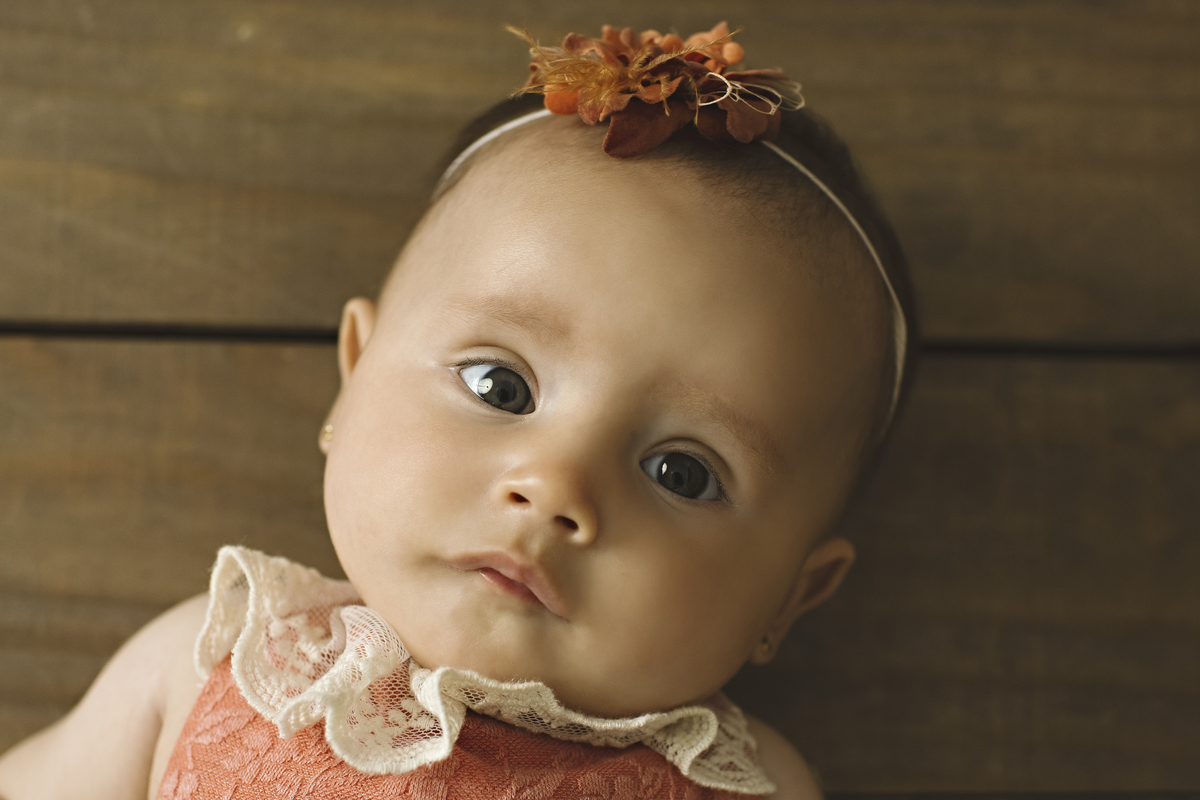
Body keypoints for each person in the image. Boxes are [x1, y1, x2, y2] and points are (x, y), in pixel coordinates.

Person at [0, 21, 915, 800]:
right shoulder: (224, 660)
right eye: (499, 388)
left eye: (683, 472)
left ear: (790, 596)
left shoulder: (747, 784)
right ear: (353, 377)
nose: (553, 488)